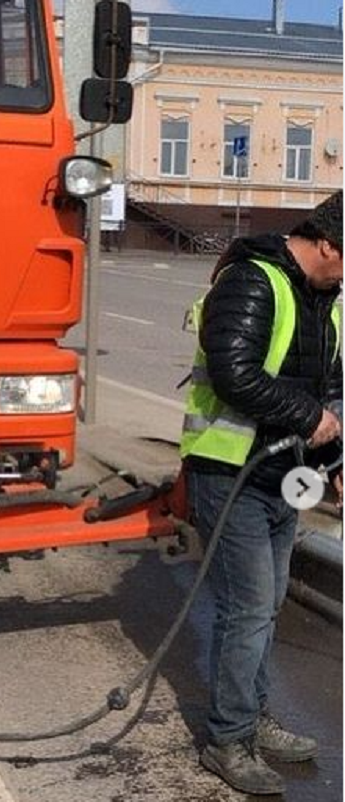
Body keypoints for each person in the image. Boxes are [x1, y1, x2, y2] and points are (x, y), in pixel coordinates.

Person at [180, 190, 343, 795]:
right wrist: (309, 421)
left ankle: (251, 716)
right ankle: (228, 740)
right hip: (230, 472)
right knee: (246, 608)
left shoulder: (326, 300)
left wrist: (333, 457)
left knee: (266, 606)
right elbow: (234, 371)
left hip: (282, 476)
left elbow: (328, 387)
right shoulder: (252, 281)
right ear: (328, 244)